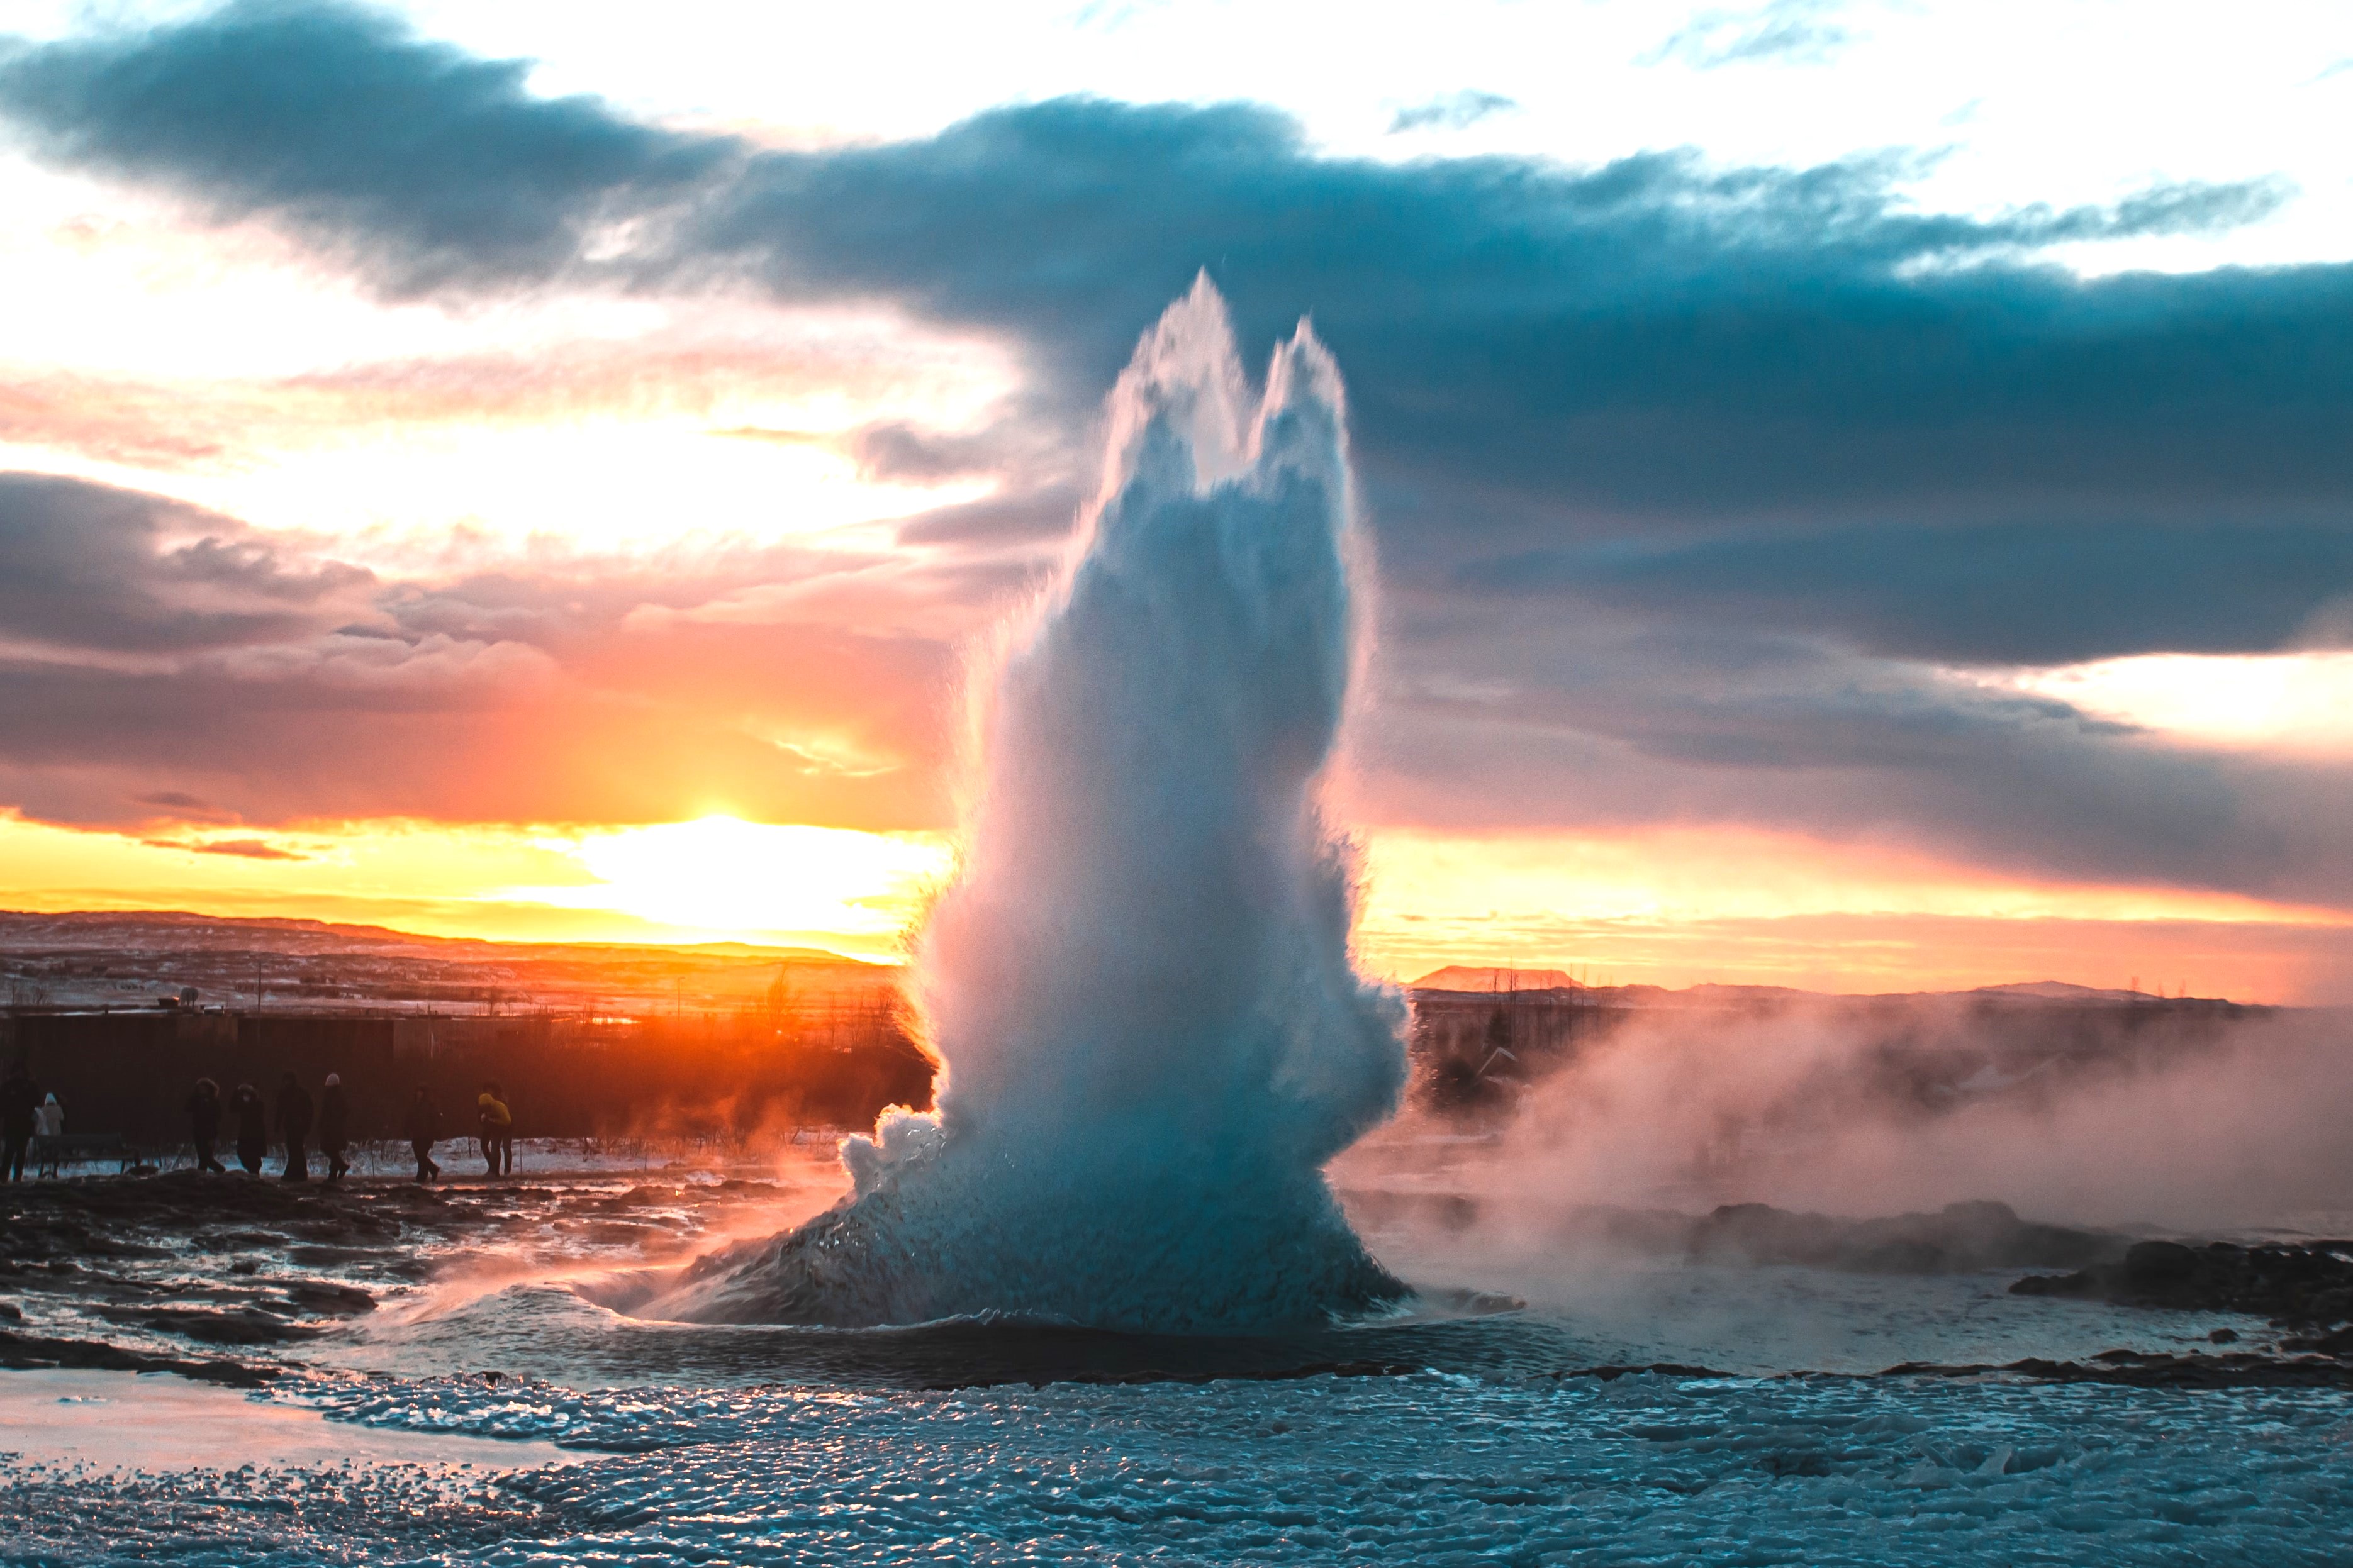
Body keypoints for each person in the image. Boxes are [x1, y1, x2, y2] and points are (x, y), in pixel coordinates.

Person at [2, 1062, 38, 1182]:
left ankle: (8, 1176)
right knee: (16, 1152)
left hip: (16, 1123)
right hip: (21, 1123)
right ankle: (12, 1176)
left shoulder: (9, 1086)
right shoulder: (28, 1086)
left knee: (14, 1151)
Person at [275, 1071, 313, 1182]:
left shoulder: (294, 1093)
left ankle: (294, 1174)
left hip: (297, 1126)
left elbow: (309, 1110)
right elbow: (280, 1110)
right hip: (293, 1125)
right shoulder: (296, 1092)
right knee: (295, 1149)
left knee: (295, 1149)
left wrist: (306, 1124)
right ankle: (298, 1174)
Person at [185, 1078, 226, 1173]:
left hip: (210, 1132)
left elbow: (218, 1117)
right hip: (198, 1131)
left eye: (204, 1088)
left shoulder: (213, 1101)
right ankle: (203, 1175)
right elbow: (187, 1107)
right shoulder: (196, 1100)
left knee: (206, 1157)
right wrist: (195, 1097)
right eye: (200, 1088)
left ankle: (219, 1170)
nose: (202, 1090)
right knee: (203, 1157)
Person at [403, 1087, 442, 1183]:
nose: (419, 1094)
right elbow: (410, 1117)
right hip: (417, 1133)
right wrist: (407, 1128)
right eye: (418, 1091)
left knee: (421, 1155)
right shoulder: (415, 1104)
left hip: (427, 1134)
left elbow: (435, 1118)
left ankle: (425, 1175)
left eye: (421, 1092)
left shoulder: (429, 1105)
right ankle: (429, 1172)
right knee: (420, 1155)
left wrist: (435, 1131)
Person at [476, 1081, 513, 1177]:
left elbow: (507, 1121)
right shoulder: (485, 1101)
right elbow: (481, 1115)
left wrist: (492, 1120)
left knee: (506, 1148)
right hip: (495, 1128)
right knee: (495, 1148)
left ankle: (506, 1170)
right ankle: (493, 1170)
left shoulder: (499, 1105)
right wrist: (486, 1122)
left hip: (506, 1128)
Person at [318, 1072, 350, 1182]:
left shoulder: (334, 1096)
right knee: (333, 1150)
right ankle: (334, 1174)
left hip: (332, 1128)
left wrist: (328, 1122)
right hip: (333, 1127)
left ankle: (340, 1168)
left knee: (329, 1148)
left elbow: (332, 1112)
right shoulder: (336, 1095)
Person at [232, 1083, 267, 1174]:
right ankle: (253, 1171)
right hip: (245, 1134)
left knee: (255, 1156)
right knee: (243, 1154)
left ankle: (255, 1173)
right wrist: (236, 1093)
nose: (245, 1097)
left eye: (247, 1095)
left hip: (256, 1135)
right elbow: (232, 1108)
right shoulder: (242, 1105)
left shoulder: (258, 1105)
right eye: (244, 1095)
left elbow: (257, 1116)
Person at [31, 1093, 65, 1177]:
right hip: (56, 1135)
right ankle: (55, 1171)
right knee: (56, 1152)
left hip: (46, 1137)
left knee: (47, 1150)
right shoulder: (58, 1108)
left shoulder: (43, 1109)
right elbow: (62, 1118)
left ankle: (44, 1168)